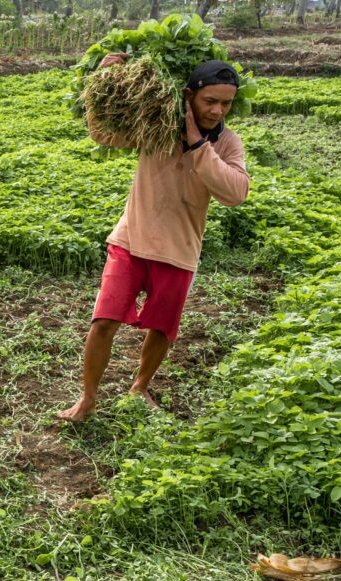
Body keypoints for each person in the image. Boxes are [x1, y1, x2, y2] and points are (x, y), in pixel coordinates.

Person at [57, 57, 250, 422]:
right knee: (103, 321)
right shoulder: (158, 125)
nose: (217, 110)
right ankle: (87, 398)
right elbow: (103, 133)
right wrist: (102, 76)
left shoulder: (227, 143)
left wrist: (197, 144)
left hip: (180, 251)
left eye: (225, 103)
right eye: (210, 101)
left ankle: (139, 386)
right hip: (131, 240)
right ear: (188, 94)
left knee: (162, 328)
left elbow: (236, 192)